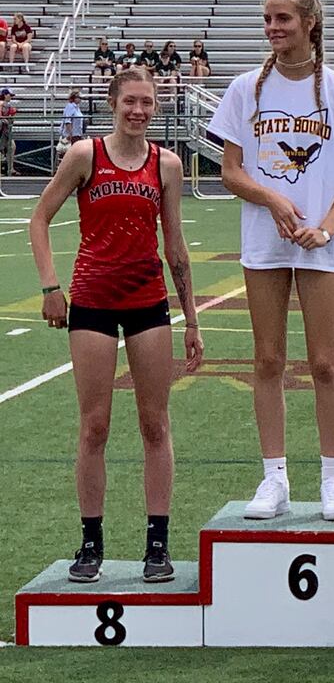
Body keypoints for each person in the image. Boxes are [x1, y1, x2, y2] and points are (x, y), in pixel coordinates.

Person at [29, 67, 204, 585]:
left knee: (155, 424)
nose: (139, 111)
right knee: (95, 425)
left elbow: (175, 246)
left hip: (148, 301)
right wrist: (49, 286)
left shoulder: (166, 165)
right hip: (92, 303)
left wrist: (192, 319)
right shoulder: (85, 155)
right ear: (113, 102)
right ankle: (90, 542)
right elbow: (39, 218)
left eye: (147, 103)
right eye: (130, 101)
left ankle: (157, 542)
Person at [209, 0, 334, 521]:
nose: (272, 28)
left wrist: (325, 229)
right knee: (268, 359)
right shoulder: (244, 90)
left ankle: (333, 479)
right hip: (264, 240)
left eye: (282, 18)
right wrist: (273, 199)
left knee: (325, 362)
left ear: (309, 23)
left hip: (320, 245)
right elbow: (230, 171)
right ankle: (274, 478)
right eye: (267, 19)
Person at [0, 88, 15, 174]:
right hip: (1, 132)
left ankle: (10, 168)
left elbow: (10, 119)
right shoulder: (1, 104)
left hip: (5, 132)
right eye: (9, 95)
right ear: (5, 95)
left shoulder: (8, 106)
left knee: (12, 146)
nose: (10, 97)